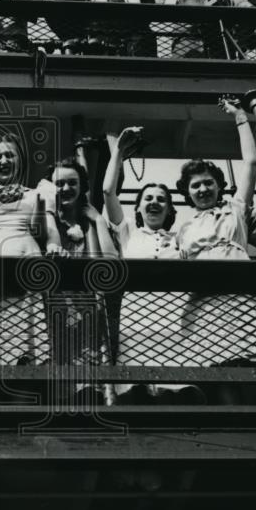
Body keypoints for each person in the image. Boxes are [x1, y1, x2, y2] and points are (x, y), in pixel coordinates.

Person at [174, 98, 256, 404]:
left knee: (250, 376)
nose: (203, 190)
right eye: (195, 186)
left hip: (239, 298)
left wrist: (239, 118)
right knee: (218, 378)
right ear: (187, 193)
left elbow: (250, 162)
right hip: (204, 305)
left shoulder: (235, 210)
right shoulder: (184, 229)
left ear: (218, 186)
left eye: (208, 183)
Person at [100, 127, 203, 405]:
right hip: (137, 320)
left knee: (176, 391)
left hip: (176, 318)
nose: (155, 203)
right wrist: (119, 151)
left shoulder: (182, 237)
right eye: (148, 198)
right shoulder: (128, 233)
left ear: (170, 209)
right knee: (137, 390)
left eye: (161, 199)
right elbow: (108, 191)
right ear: (138, 208)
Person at [0, 64, 58, 376]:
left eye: (9, 155)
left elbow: (50, 231)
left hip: (26, 285)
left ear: (19, 158)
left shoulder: (37, 193)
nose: (3, 160)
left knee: (26, 364)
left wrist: (56, 246)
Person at [38, 157, 116, 403]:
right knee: (58, 381)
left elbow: (111, 260)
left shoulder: (89, 223)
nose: (66, 189)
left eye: (72, 183)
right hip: (54, 311)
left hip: (87, 313)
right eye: (59, 183)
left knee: (87, 387)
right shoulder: (45, 223)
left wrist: (98, 220)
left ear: (82, 186)